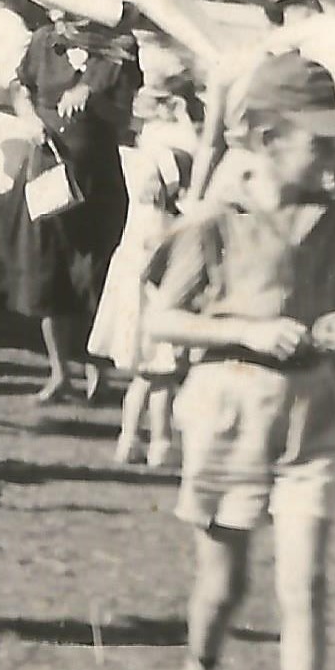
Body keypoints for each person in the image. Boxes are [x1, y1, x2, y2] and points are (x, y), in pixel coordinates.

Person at [143, 53, 335, 670]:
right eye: (318, 141)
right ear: (267, 138)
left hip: (313, 413)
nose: (333, 155)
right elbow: (163, 320)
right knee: (223, 582)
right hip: (229, 413)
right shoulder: (215, 220)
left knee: (304, 583)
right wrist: (243, 330)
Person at [12, 0, 142, 404]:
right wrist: (29, 118)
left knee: (94, 273)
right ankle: (59, 372)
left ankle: (96, 372)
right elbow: (21, 88)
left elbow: (124, 118)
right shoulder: (43, 42)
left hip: (97, 174)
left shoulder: (118, 51)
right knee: (47, 271)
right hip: (48, 169)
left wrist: (93, 98)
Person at [97, 83, 204, 467]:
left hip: (136, 282)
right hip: (157, 292)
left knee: (143, 378)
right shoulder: (164, 216)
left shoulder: (138, 164)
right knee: (161, 377)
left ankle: (128, 439)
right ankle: (160, 442)